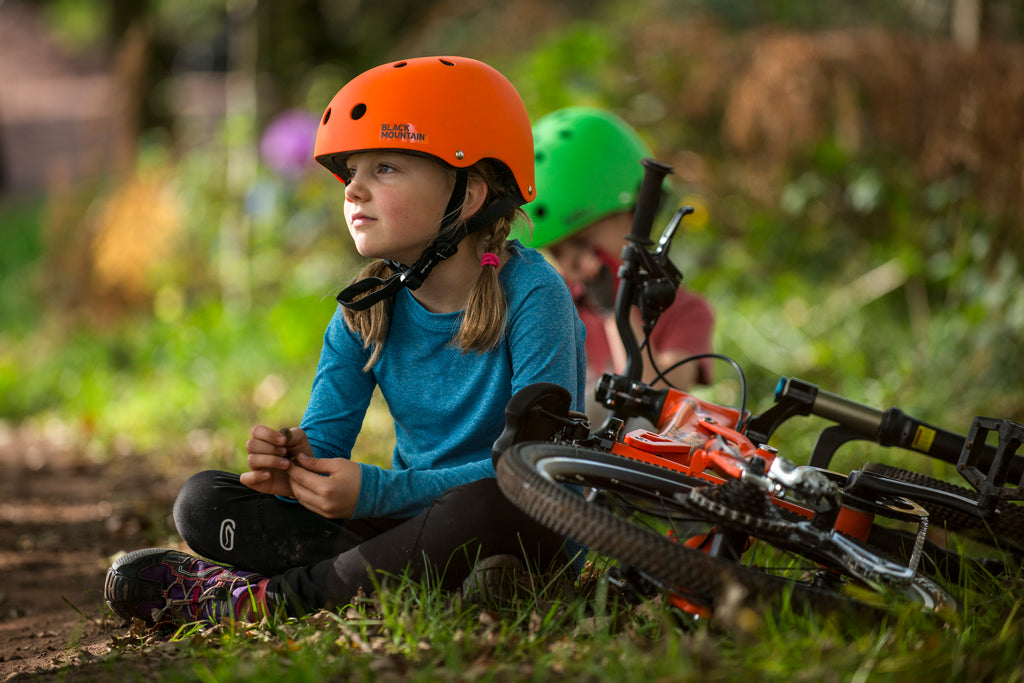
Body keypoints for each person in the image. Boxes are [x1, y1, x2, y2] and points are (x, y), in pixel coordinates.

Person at [104, 56, 587, 627]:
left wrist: (377, 493)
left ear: (471, 193)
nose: (354, 189)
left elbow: (536, 467)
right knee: (203, 501)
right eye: (352, 171)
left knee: (490, 501)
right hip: (408, 527)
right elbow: (326, 444)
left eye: (384, 168)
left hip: (515, 517)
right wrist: (295, 473)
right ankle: (448, 584)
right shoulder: (366, 310)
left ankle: (265, 600)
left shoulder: (534, 292)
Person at [522, 106, 714, 399]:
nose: (573, 262)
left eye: (584, 240)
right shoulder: (551, 304)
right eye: (558, 251)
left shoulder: (685, 313)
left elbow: (656, 403)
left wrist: (614, 312)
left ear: (636, 215)